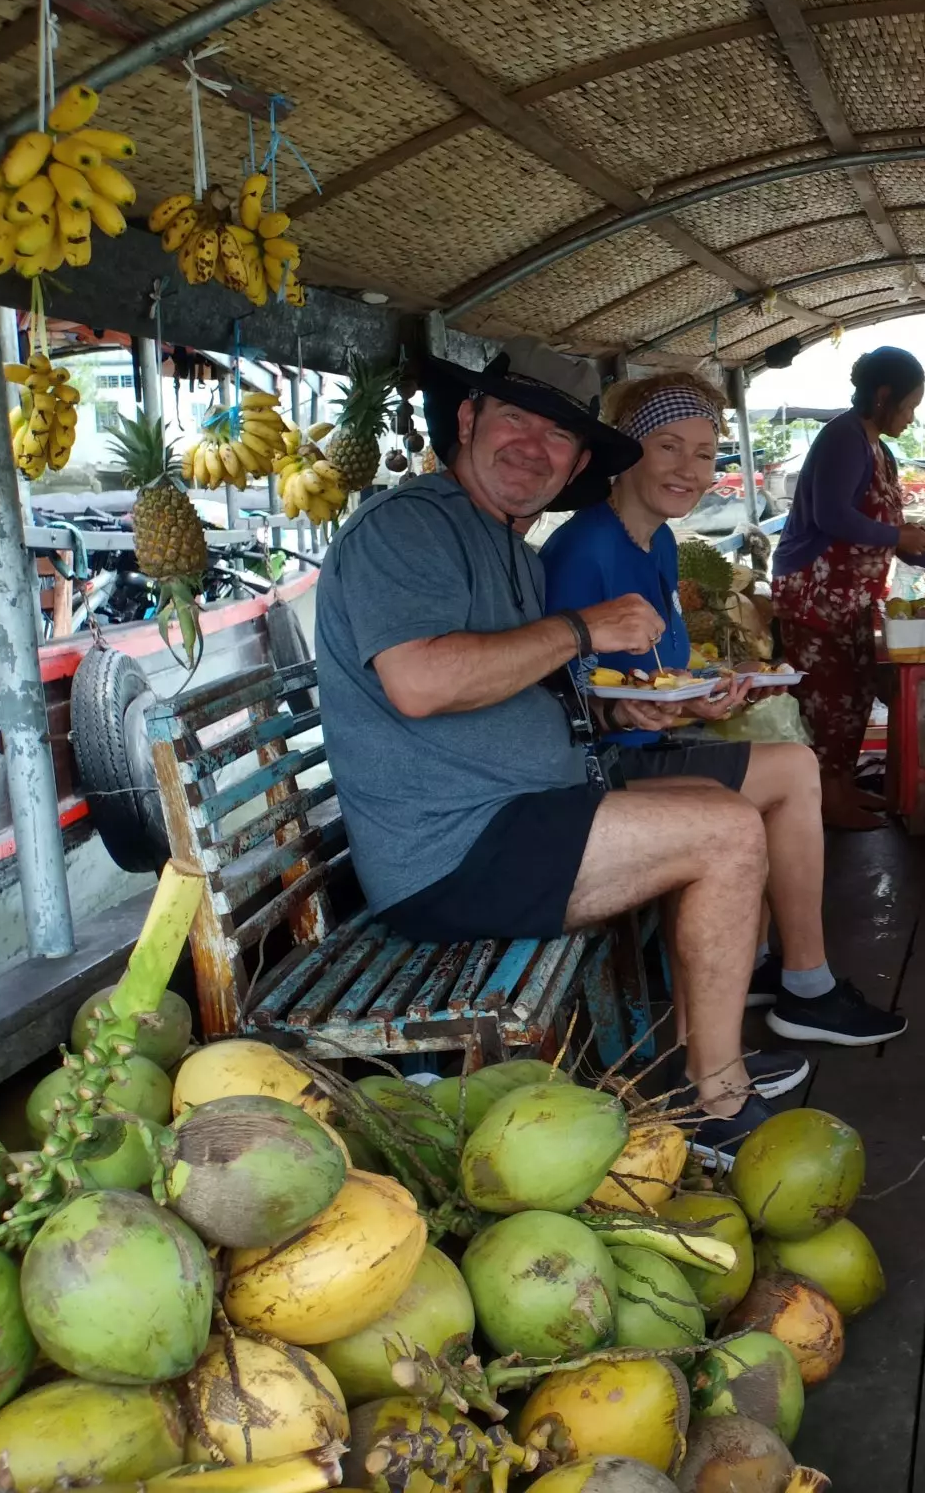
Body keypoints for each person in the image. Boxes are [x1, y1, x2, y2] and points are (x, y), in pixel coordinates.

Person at [314, 350, 775, 1160]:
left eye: (559, 434)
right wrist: (580, 628)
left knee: (726, 806)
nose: (534, 446)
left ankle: (692, 1060)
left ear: (579, 461)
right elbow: (421, 682)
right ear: (467, 421)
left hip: (520, 815)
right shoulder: (410, 526)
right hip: (450, 852)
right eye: (514, 420)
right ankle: (716, 1103)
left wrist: (612, 708)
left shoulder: (508, 547)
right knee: (727, 834)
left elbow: (510, 685)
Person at [541, 370, 906, 1048]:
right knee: (791, 773)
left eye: (705, 454)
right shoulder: (585, 548)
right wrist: (654, 705)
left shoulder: (657, 542)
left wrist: (715, 686)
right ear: (627, 451)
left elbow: (654, 672)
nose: (690, 469)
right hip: (596, 772)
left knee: (792, 766)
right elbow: (564, 689)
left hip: (648, 747)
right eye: (668, 447)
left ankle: (776, 968)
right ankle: (804, 986)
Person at [771, 346, 925, 829]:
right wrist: (896, 537)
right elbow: (832, 515)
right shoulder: (843, 438)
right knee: (826, 700)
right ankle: (825, 801)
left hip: (852, 600)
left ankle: (841, 788)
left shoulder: (880, 451)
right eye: (908, 407)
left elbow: (895, 533)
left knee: (855, 695)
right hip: (814, 593)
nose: (910, 418)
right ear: (883, 396)